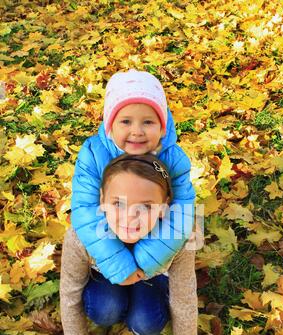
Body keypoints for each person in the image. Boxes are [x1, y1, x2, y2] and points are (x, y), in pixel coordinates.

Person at [60, 153, 206, 335]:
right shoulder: (80, 237)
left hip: (152, 279)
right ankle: (115, 305)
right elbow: (69, 294)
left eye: (146, 206)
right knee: (105, 310)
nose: (129, 217)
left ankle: (140, 304)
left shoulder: (179, 238)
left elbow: (185, 299)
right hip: (104, 281)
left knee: (146, 324)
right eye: (118, 203)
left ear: (164, 207)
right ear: (102, 201)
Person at [71, 69, 195, 286]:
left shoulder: (173, 160)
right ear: (111, 126)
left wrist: (145, 262)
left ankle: (147, 290)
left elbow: (181, 214)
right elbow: (86, 211)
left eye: (148, 122)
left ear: (162, 127)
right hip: (107, 253)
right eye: (126, 122)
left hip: (153, 251)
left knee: (145, 319)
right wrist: (119, 264)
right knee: (105, 309)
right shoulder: (93, 153)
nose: (137, 131)